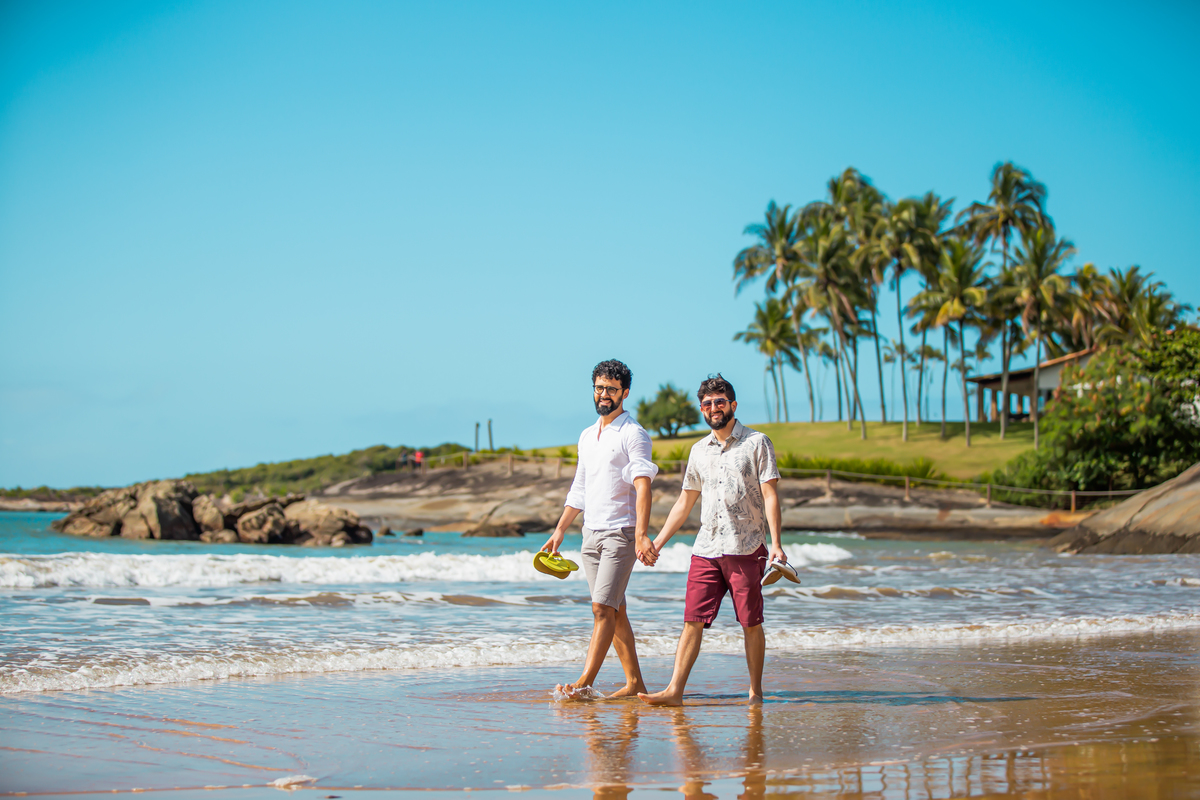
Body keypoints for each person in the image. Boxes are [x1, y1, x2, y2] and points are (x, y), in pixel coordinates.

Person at [639, 374, 786, 707]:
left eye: (720, 402)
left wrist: (776, 544)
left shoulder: (757, 442)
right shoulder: (698, 450)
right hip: (705, 548)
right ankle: (674, 691)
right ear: (701, 409)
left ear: (733, 405)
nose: (714, 408)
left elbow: (770, 495)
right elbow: (685, 501)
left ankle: (755, 692)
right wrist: (657, 543)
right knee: (692, 619)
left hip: (746, 546)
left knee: (750, 622)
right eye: (707, 404)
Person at [542, 359, 659, 699]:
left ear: (625, 392)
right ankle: (634, 683)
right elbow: (579, 487)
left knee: (601, 609)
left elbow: (643, 486)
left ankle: (582, 684)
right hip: (589, 534)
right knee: (615, 609)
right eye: (599, 387)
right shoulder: (586, 435)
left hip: (620, 533)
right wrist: (560, 529)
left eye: (611, 388)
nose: (604, 394)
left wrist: (641, 534)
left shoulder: (633, 434)